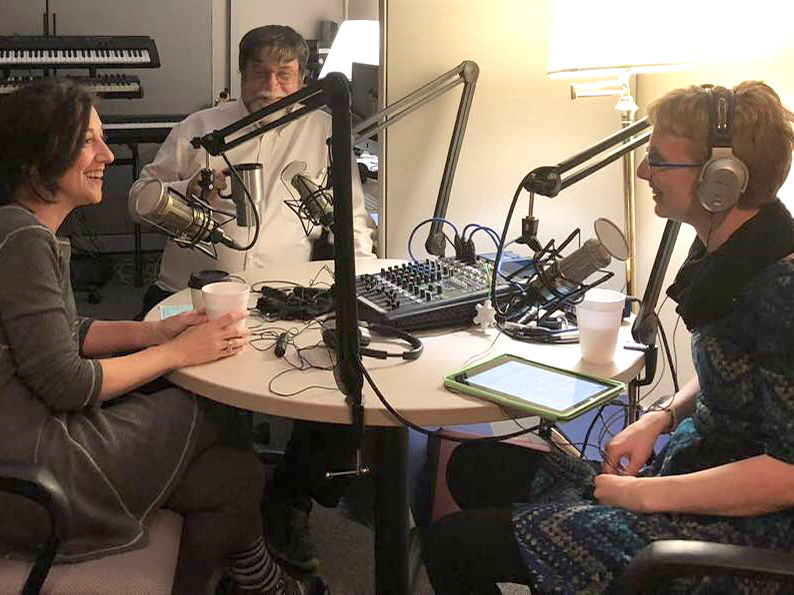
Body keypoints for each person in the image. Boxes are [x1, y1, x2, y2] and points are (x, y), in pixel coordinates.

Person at [421, 80, 794, 594]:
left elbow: (787, 475)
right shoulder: (732, 251)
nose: (643, 172)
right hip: (683, 479)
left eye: (658, 160)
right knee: (473, 466)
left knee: (453, 545)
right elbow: (743, 377)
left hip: (736, 533)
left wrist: (643, 497)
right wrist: (662, 417)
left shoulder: (782, 291)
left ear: (721, 180)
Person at [0, 79, 328, 595]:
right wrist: (177, 351)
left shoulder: (23, 230)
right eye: (87, 141)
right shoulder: (22, 239)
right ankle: (261, 572)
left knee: (234, 475)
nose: (108, 155)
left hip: (33, 444)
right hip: (37, 466)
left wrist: (154, 331)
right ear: (36, 159)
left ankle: (252, 579)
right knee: (214, 408)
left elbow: (61, 332)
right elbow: (67, 383)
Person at [128, 25, 377, 572]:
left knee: (341, 387)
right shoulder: (201, 128)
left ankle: (289, 499)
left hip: (283, 298)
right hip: (192, 293)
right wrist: (188, 190)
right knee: (167, 400)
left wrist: (356, 282)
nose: (270, 84)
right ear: (241, 75)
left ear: (304, 79)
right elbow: (141, 196)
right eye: (260, 72)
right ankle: (210, 496)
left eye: (284, 74)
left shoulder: (324, 129)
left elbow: (351, 217)